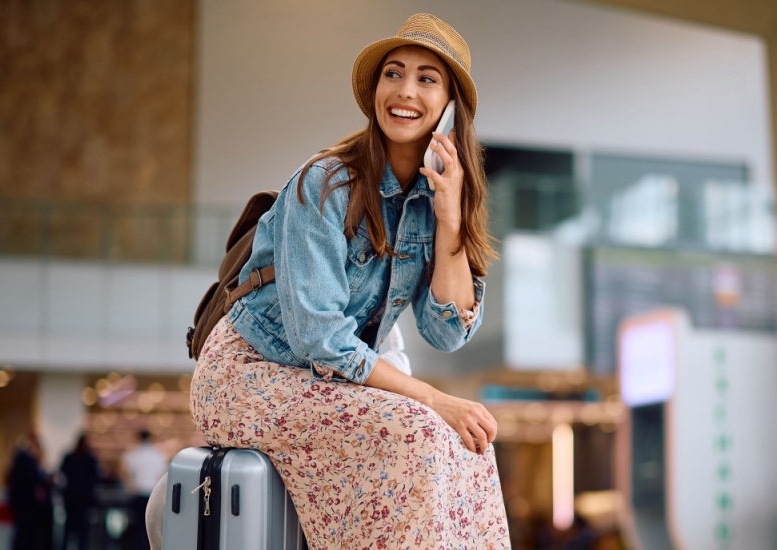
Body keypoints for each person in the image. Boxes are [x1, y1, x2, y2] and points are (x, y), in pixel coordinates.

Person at [185, 12, 509, 549]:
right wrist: (431, 399)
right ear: (375, 88)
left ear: (451, 108)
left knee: (472, 443)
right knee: (422, 430)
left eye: (427, 78)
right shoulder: (327, 182)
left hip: (325, 385)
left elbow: (447, 332)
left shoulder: (440, 204)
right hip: (248, 375)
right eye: (394, 73)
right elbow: (319, 336)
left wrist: (451, 219)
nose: (405, 90)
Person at [7, 434, 53, 550]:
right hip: (25, 505)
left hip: (29, 507)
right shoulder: (24, 458)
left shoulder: (35, 465)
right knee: (24, 535)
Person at [123, 430, 166, 550]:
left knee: (137, 528)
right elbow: (162, 476)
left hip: (138, 495)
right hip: (152, 496)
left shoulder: (133, 454)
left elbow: (127, 475)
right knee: (151, 528)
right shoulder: (158, 455)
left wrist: (129, 487)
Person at [59, 434, 102, 550]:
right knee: (83, 530)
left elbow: (62, 473)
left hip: (70, 498)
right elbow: (97, 476)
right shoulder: (89, 458)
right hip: (83, 499)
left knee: (68, 529)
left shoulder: (69, 457)